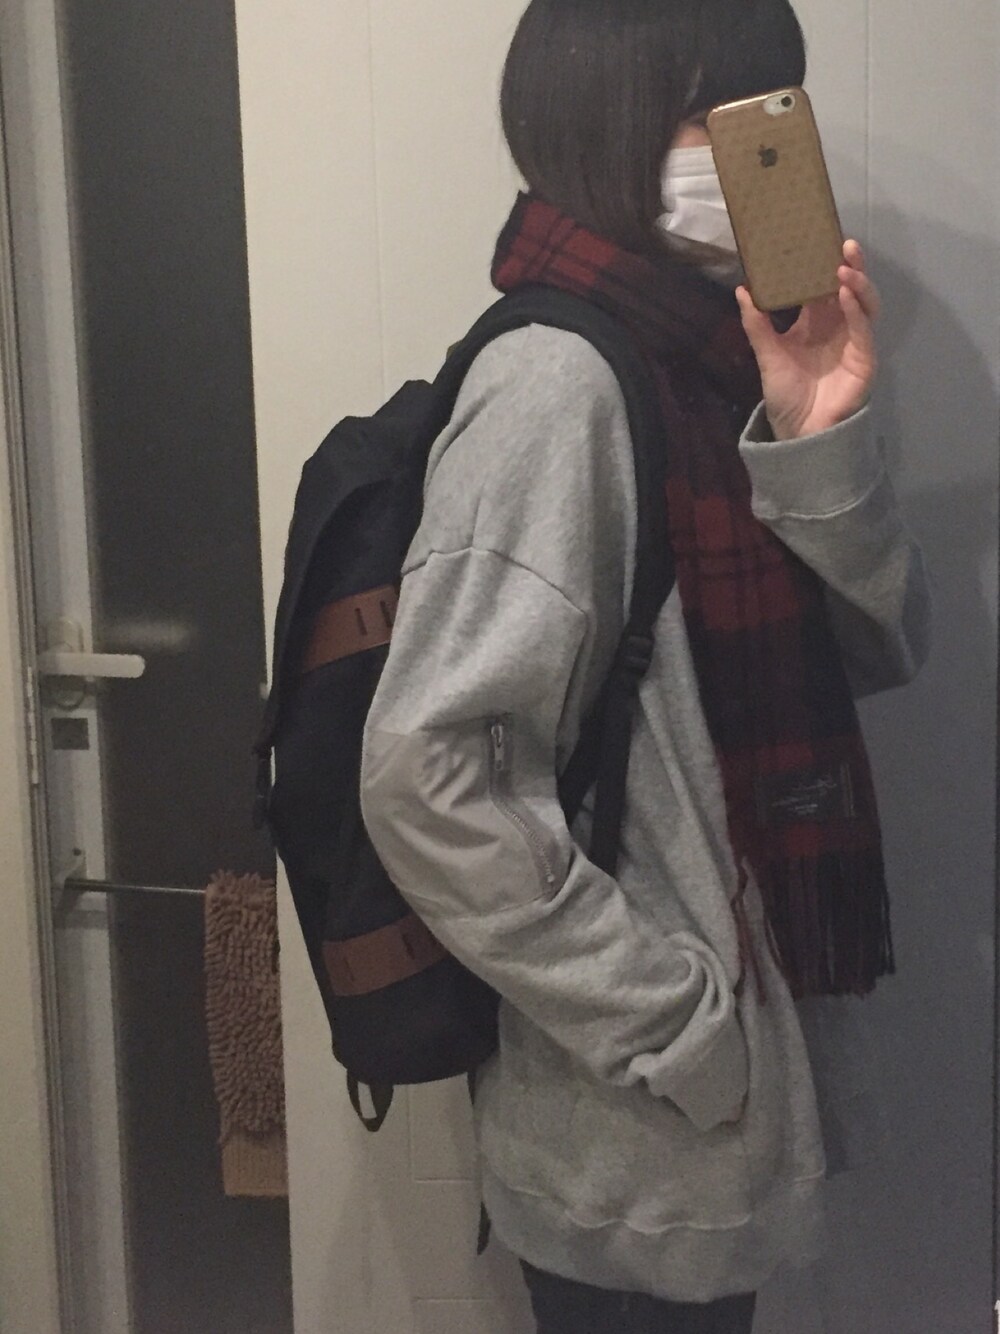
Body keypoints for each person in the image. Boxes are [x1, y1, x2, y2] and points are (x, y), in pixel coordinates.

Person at [360, 1, 931, 1329]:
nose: (754, 145)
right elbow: (428, 781)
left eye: (769, 105)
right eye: (707, 112)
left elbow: (880, 647)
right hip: (631, 1135)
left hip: (703, 1133)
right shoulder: (557, 386)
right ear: (601, 126)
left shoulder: (722, 358)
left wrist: (816, 431)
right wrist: (682, 1027)